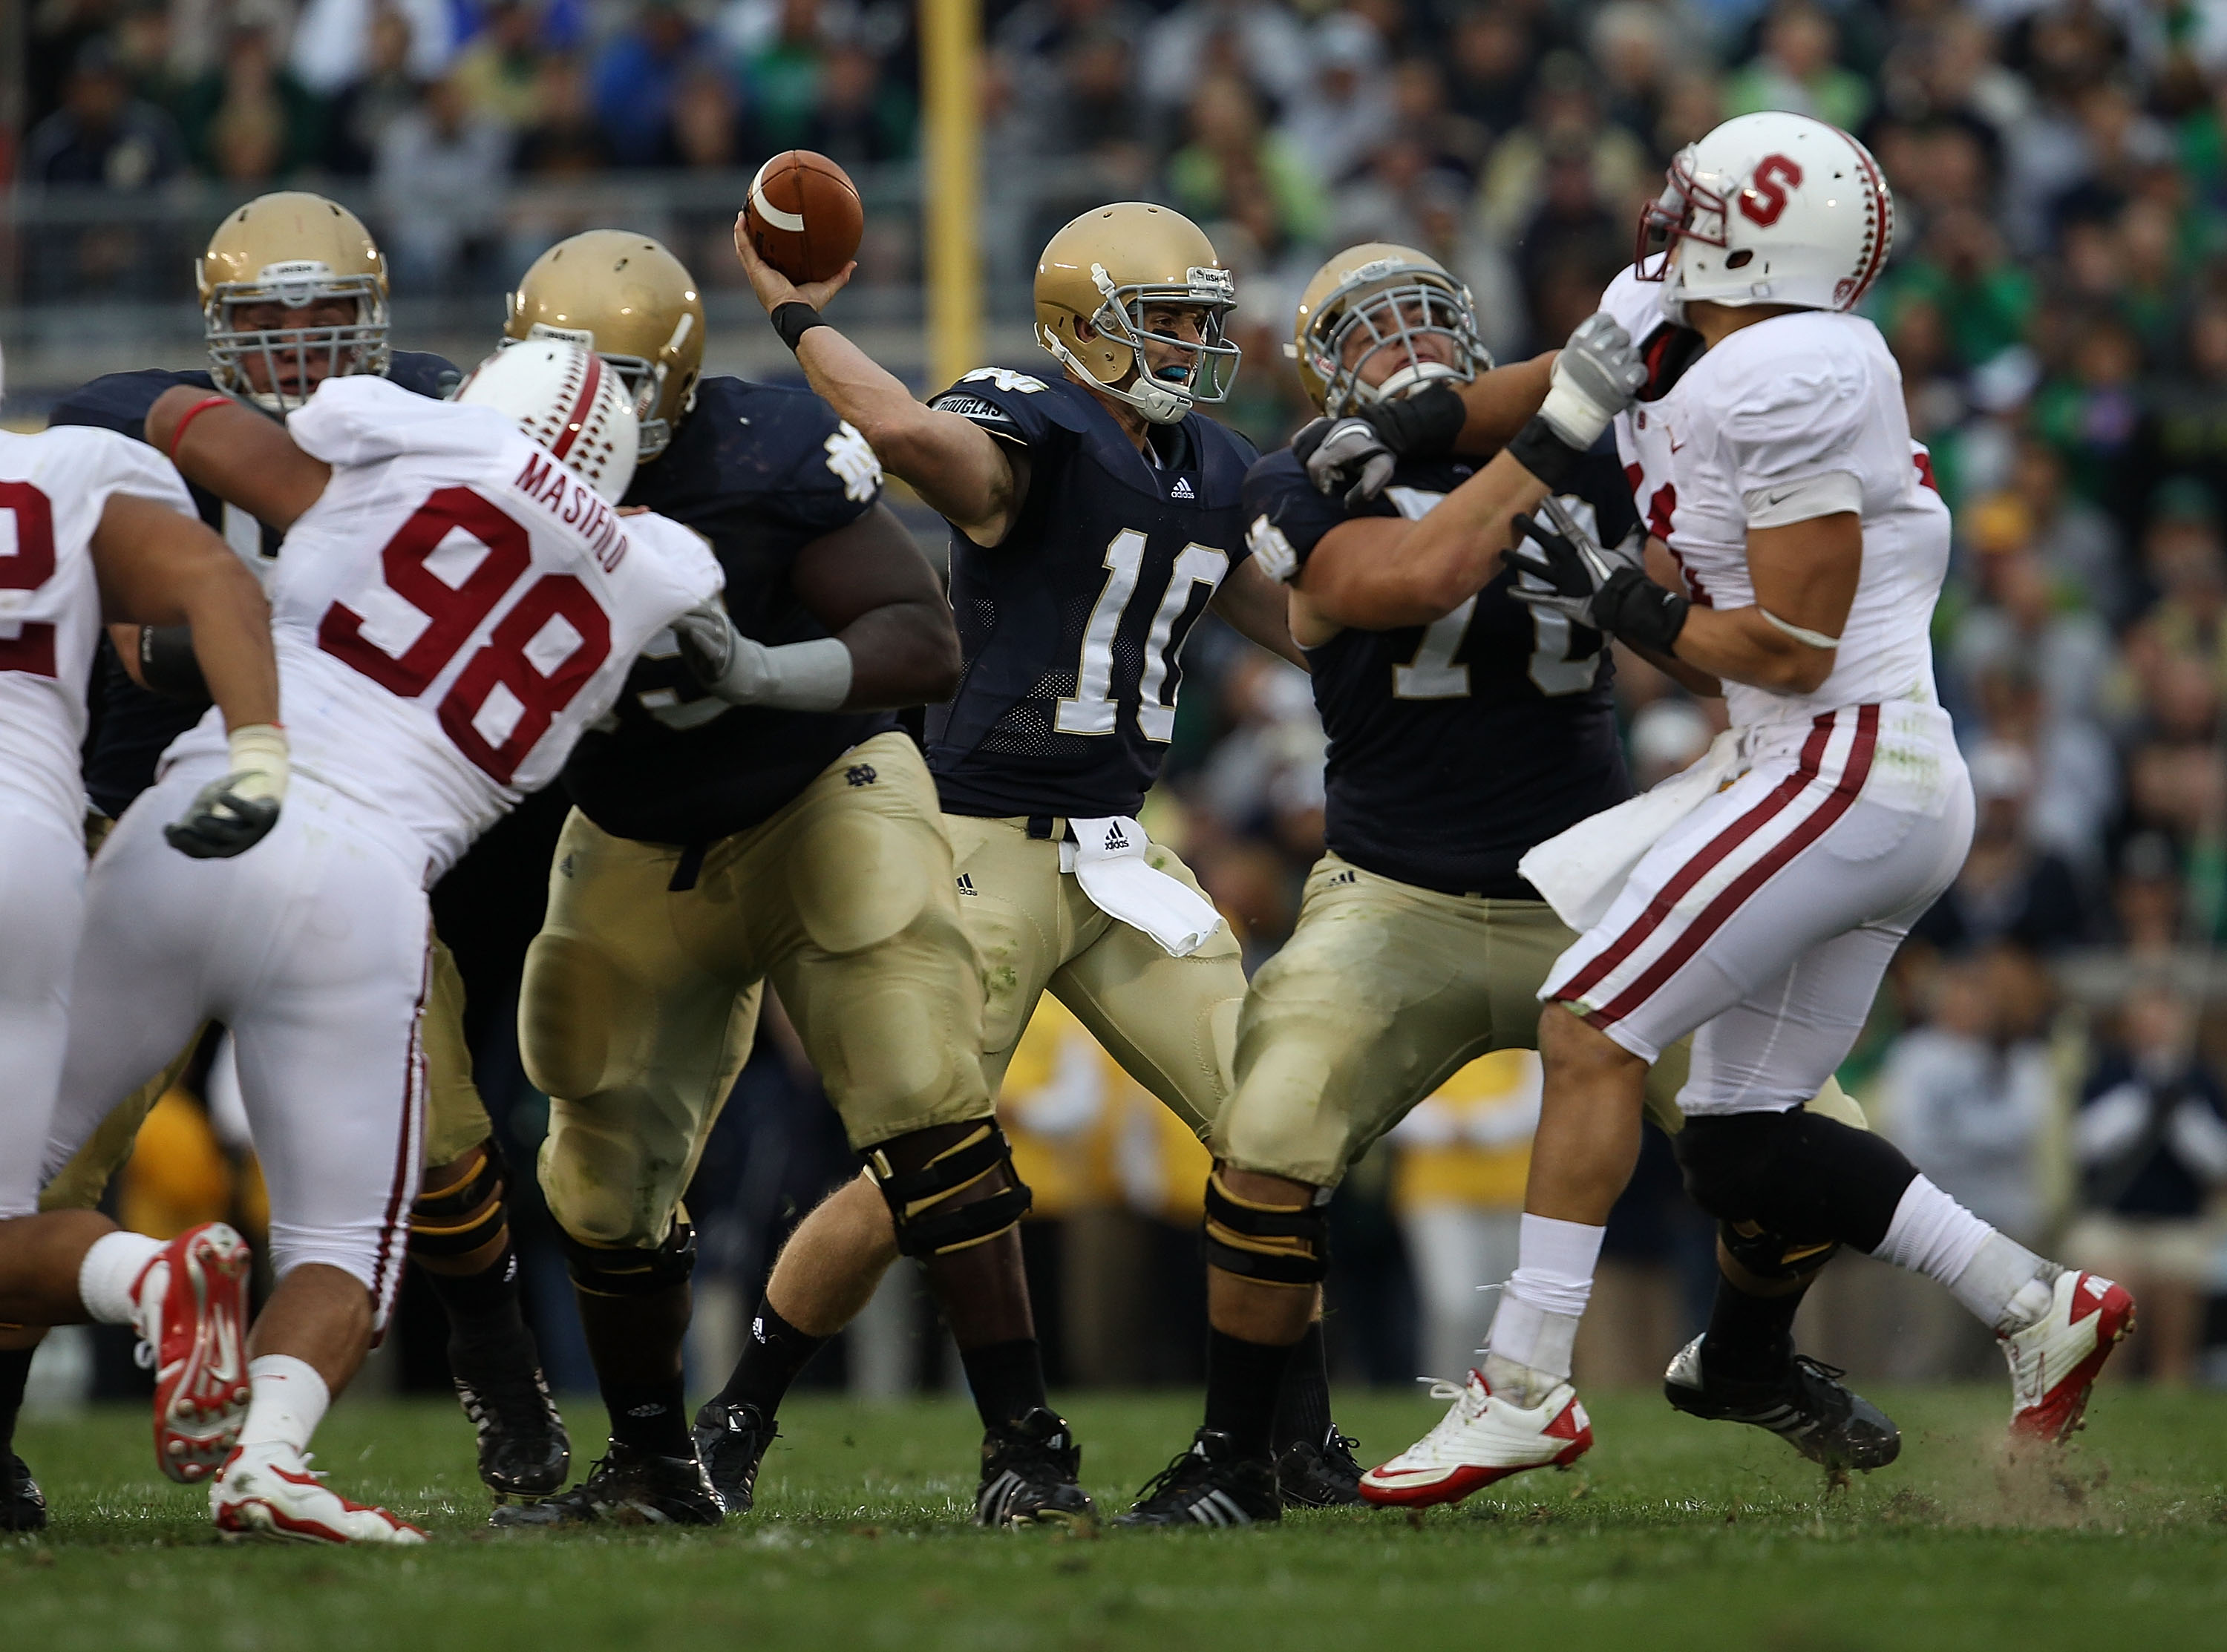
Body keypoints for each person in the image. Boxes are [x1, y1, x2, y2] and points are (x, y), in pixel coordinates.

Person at [1393, 113, 2130, 1480]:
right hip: (1823, 762)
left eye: (1694, 207)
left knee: (1592, 1019)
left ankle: (1526, 1380)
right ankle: (2040, 1304)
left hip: (1841, 754)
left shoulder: (1798, 371)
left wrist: (1615, 597)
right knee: (1738, 1144)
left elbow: (1787, 644)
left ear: (1751, 236)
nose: (1664, 226)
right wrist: (1418, 422)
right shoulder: (1701, 320)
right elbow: (1575, 377)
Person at [1114, 244, 1883, 1524]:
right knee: (1266, 1143)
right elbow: (1417, 577)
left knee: (1815, 1146)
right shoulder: (1303, 472)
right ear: (1321, 370)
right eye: (1364, 330)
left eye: (1423, 312)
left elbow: (1711, 654)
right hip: (1394, 898)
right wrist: (1559, 429)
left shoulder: (1592, 450)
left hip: (1593, 887)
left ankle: (1750, 1353)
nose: (1400, 342)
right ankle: (1232, 1456)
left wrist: (1654, 582)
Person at [718, 203, 1370, 1512]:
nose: (1194, 344)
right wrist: (798, 312)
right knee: (926, 1161)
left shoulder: (1213, 465)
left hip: (1122, 849)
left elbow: (1303, 623)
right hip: (973, 837)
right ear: (1085, 330)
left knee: (1276, 1127)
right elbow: (904, 436)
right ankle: (736, 1420)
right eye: (1166, 321)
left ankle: (1291, 1437)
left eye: (1199, 317)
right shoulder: (1034, 421)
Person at [43, 338, 723, 1544]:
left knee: (22, 1168)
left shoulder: (401, 431)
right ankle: (268, 1457)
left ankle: (140, 1280)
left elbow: (199, 427)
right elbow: (660, 577)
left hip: (212, 807)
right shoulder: (650, 567)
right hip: (366, 889)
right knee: (343, 1244)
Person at [29, 191, 572, 1510]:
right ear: (216, 329)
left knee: (440, 1129)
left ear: (374, 318)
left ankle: (507, 1392)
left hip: (340, 820)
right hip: (136, 814)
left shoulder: (438, 417)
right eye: (267, 319)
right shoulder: (124, 419)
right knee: (55, 1147)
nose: (299, 345)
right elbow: (112, 635)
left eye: (328, 315)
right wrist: (213, 642)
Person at [485, 235, 1027, 1530]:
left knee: (919, 1079)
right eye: (555, 377)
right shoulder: (475, 471)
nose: (577, 414)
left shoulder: (758, 456)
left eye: (610, 382)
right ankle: (656, 1463)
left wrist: (755, 670)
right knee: (596, 1166)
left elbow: (924, 641)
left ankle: (1027, 1442)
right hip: (630, 833)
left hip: (812, 797)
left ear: (669, 387)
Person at [0, 343, 283, 1532]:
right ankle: (153, 1275)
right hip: (32, 843)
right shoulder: (60, 473)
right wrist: (260, 754)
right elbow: (218, 581)